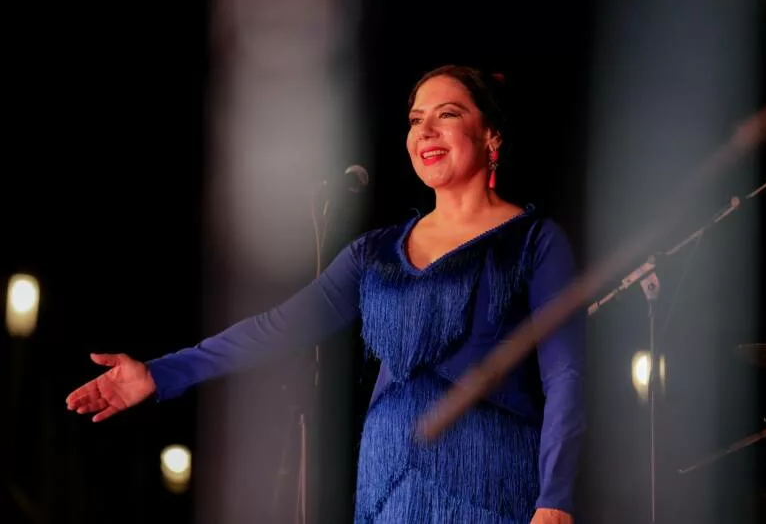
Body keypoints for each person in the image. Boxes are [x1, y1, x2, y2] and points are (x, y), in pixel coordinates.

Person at [66, 65, 586, 524]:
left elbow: (564, 376)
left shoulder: (534, 242)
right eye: (414, 119)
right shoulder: (375, 252)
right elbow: (277, 328)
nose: (424, 130)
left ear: (491, 135)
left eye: (446, 114)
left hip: (494, 485)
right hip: (389, 488)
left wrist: (555, 497)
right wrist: (159, 373)